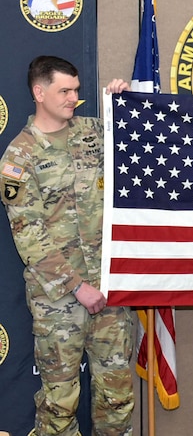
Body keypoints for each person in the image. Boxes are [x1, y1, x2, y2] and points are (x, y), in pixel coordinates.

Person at [0, 55, 134, 435]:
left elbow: (136, 147)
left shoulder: (93, 132)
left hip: (109, 293)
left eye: (76, 90)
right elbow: (29, 234)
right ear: (38, 93)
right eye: (64, 90)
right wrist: (78, 286)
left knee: (118, 396)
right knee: (60, 402)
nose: (73, 97)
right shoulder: (19, 157)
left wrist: (124, 103)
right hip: (59, 301)